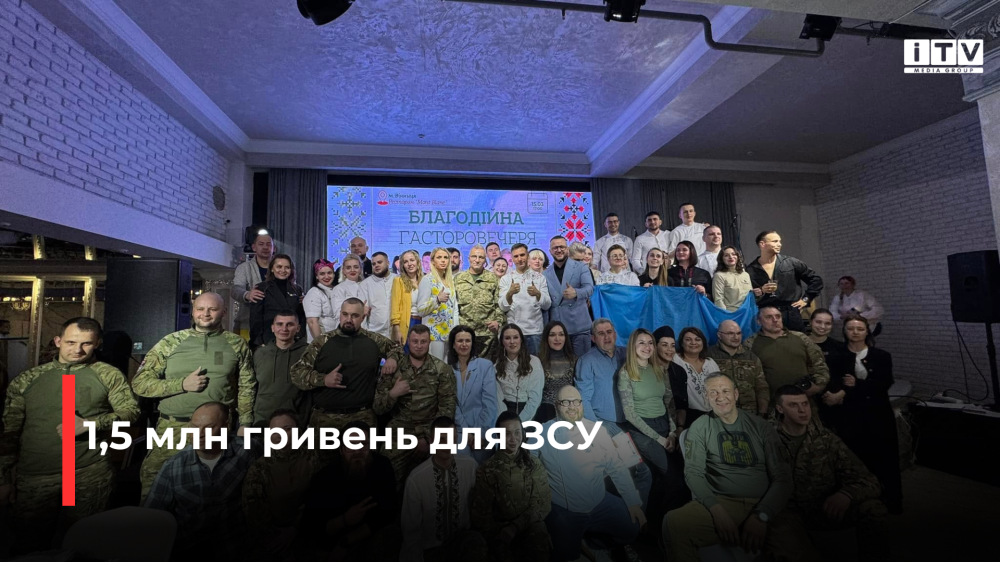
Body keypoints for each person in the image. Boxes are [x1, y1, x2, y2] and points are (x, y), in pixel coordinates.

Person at [0, 317, 139, 553]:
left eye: (86, 343)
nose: (77, 350)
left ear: (97, 344)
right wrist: (3, 478)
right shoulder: (28, 379)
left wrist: (91, 424)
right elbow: (9, 432)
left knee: (86, 543)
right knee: (29, 544)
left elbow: (131, 412)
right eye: (71, 342)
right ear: (58, 341)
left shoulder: (107, 374)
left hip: (88, 471)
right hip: (37, 474)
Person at [132, 292, 255, 499]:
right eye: (200, 309)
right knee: (155, 488)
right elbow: (139, 384)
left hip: (217, 431)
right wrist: (181, 384)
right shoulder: (170, 342)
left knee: (213, 490)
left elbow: (247, 386)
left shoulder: (237, 344)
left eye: (212, 309)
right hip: (174, 428)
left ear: (224, 312)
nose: (205, 314)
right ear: (193, 311)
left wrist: (245, 424)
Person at [664, 374, 797, 562]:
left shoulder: (761, 426)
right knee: (675, 523)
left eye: (725, 391)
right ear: (706, 398)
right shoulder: (700, 427)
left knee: (797, 549)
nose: (720, 397)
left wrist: (762, 515)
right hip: (723, 502)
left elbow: (783, 478)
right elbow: (693, 473)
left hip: (764, 501)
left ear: (736, 394)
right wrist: (717, 511)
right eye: (713, 392)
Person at [773, 385, 890, 562]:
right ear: (780, 409)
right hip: (783, 513)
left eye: (805, 404)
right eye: (793, 405)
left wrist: (846, 495)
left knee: (874, 508)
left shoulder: (826, 439)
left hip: (821, 508)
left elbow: (869, 480)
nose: (802, 410)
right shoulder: (767, 438)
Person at [534, 386, 645, 562]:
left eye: (576, 402)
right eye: (565, 402)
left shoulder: (597, 431)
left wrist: (632, 501)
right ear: (556, 405)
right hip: (565, 510)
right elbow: (529, 466)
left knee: (632, 528)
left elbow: (616, 466)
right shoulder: (542, 432)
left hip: (599, 503)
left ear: (582, 404)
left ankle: (593, 543)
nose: (572, 407)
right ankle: (579, 542)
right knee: (565, 556)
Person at [144, 402, 263, 560]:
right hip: (189, 548)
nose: (199, 434)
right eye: (194, 427)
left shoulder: (247, 451)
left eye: (208, 428)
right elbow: (150, 516)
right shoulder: (173, 467)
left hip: (236, 547)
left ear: (226, 426)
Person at [290, 298, 401, 433]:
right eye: (345, 314)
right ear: (340, 314)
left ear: (362, 318)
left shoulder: (374, 340)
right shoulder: (322, 342)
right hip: (324, 419)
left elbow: (397, 348)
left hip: (362, 417)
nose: (349, 319)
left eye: (355, 316)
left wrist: (392, 358)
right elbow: (296, 373)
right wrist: (323, 379)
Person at [828, 315, 902, 513]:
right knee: (854, 458)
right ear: (845, 331)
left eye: (860, 329)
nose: (855, 332)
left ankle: (890, 500)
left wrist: (858, 384)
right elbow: (833, 381)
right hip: (850, 416)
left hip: (878, 415)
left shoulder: (881, 356)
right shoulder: (836, 356)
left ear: (867, 331)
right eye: (851, 328)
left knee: (884, 457)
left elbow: (885, 383)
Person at [301, 420, 402, 562]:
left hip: (368, 537)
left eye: (363, 444)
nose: (357, 450)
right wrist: (344, 520)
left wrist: (347, 540)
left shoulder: (382, 466)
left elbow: (388, 511)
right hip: (331, 544)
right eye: (350, 444)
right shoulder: (324, 478)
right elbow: (311, 527)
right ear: (341, 450)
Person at [374, 324, 457, 489]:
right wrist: (393, 394)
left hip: (429, 432)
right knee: (385, 480)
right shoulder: (394, 368)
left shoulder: (442, 369)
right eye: (415, 341)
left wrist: (427, 439)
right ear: (408, 342)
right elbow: (378, 407)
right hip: (398, 434)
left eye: (423, 341)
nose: (419, 345)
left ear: (429, 342)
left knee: (431, 486)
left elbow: (447, 410)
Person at [401, 416, 487, 562]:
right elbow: (411, 531)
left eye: (451, 439)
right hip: (430, 550)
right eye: (441, 440)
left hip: (460, 542)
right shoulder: (416, 479)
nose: (447, 445)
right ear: (431, 441)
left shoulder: (470, 466)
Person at [471, 411, 552, 562]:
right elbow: (481, 516)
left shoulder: (533, 464)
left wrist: (516, 526)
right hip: (499, 529)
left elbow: (542, 503)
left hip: (528, 525)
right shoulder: (488, 469)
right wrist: (502, 531)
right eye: (507, 434)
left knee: (539, 540)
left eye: (517, 432)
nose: (513, 439)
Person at [241, 410, 321, 562]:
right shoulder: (259, 469)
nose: (281, 435)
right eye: (275, 431)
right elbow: (253, 512)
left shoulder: (311, 457)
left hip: (307, 529)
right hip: (273, 540)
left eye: (287, 429)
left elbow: (318, 496)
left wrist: (295, 528)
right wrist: (276, 540)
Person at [617, 328, 680, 482]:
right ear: (633, 346)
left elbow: (669, 403)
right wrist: (660, 439)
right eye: (642, 343)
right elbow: (629, 414)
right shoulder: (625, 373)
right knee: (672, 475)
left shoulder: (660, 370)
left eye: (650, 343)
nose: (647, 347)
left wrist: (672, 433)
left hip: (664, 425)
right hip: (643, 429)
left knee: (681, 469)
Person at [747, 305, 830, 406]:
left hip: (804, 401)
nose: (775, 320)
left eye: (778, 316)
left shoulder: (800, 338)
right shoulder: (751, 343)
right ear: (759, 321)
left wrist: (818, 387)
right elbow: (748, 377)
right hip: (771, 405)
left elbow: (819, 364)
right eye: (769, 317)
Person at [746, 230, 824, 332]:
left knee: (797, 340)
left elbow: (816, 280)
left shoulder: (791, 262)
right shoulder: (750, 269)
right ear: (762, 244)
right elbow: (746, 295)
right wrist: (761, 290)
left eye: (779, 241)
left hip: (790, 314)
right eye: (775, 241)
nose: (779, 244)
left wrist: (806, 299)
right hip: (765, 314)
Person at [448, 325, 498, 464]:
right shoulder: (447, 370)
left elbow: (490, 403)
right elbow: (452, 404)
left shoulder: (485, 366)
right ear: (453, 345)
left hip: (483, 430)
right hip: (459, 431)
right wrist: (466, 433)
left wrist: (479, 434)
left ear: (472, 343)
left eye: (467, 341)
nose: (464, 344)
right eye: (460, 341)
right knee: (462, 470)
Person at [251, 311, 307, 426]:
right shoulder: (259, 353)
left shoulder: (308, 353)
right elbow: (250, 386)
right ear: (273, 328)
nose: (284, 329)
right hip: (262, 419)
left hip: (295, 420)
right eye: (279, 324)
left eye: (289, 324)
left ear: (298, 328)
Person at [543, 235, 595, 356]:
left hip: (579, 326)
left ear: (567, 249)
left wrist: (576, 293)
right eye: (555, 248)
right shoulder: (545, 273)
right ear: (550, 251)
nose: (559, 250)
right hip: (557, 329)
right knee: (560, 364)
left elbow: (590, 288)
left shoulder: (581, 266)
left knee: (582, 363)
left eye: (562, 247)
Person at [707, 320, 769, 418]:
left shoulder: (751, 357)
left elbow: (761, 387)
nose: (736, 337)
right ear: (719, 335)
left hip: (749, 414)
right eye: (730, 333)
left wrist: (762, 412)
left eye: (739, 333)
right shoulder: (708, 356)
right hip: (719, 413)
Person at [497, 244, 551, 355]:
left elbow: (547, 305)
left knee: (536, 363)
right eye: (516, 256)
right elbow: (503, 307)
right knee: (514, 364)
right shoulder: (506, 279)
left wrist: (538, 294)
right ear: (512, 259)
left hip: (535, 331)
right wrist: (510, 293)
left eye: (522, 255)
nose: (520, 259)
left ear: (527, 256)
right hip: (514, 332)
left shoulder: (540, 277)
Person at [454, 245, 505, 357]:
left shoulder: (493, 278)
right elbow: (453, 307)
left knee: (487, 366)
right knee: (465, 366)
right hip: (465, 334)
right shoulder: (458, 279)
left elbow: (499, 304)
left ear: (485, 260)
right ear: (469, 258)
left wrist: (498, 322)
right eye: (474, 256)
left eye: (481, 257)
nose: (477, 260)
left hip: (487, 335)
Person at [250, 253, 306, 347]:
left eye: (287, 267)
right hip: (268, 339)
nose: (283, 270)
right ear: (272, 269)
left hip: (293, 339)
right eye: (279, 267)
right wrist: (258, 341)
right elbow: (255, 317)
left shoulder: (297, 289)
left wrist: (300, 336)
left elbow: (301, 317)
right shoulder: (262, 288)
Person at [493, 323, 544, 422]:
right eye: (507, 338)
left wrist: (519, 422)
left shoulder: (534, 362)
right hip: (504, 413)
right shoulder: (496, 367)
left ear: (521, 340)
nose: (512, 342)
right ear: (502, 342)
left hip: (528, 413)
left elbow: (535, 399)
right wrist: (506, 421)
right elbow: (498, 400)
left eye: (515, 337)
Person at [416, 247, 460, 361]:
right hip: (434, 333)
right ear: (433, 261)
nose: (443, 260)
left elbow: (454, 309)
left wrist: (455, 330)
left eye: (445, 257)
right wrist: (437, 300)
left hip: (449, 333)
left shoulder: (450, 281)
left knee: (447, 367)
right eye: (439, 257)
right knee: (436, 366)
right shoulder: (427, 280)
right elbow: (420, 310)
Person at [672, 327, 721, 428]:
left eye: (697, 339)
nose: (693, 342)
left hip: (713, 416)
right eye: (688, 339)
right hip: (686, 417)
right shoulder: (675, 360)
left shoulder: (711, 363)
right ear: (681, 343)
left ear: (703, 342)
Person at [536, 321, 576, 423]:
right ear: (546, 338)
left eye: (561, 335)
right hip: (544, 412)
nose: (557, 339)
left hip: (569, 410)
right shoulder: (537, 360)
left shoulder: (574, 360)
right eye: (552, 335)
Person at [233, 232, 275, 332]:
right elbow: (235, 289)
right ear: (254, 247)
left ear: (274, 248)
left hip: (277, 325)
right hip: (247, 323)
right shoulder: (244, 267)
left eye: (269, 244)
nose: (265, 247)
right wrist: (247, 295)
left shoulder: (281, 268)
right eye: (261, 244)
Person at [390, 249, 424, 347]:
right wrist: (397, 330)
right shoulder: (398, 281)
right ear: (402, 266)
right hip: (408, 323)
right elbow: (395, 307)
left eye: (412, 260)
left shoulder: (426, 280)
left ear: (418, 262)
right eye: (405, 262)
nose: (409, 264)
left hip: (425, 322)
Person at [360, 252, 396, 339]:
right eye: (373, 264)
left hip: (396, 332)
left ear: (388, 263)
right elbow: (364, 311)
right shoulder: (365, 284)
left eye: (379, 262)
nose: (376, 265)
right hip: (374, 334)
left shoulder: (398, 279)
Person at [303, 258, 338, 342]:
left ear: (334, 274)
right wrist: (320, 344)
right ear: (316, 276)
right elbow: (312, 322)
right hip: (323, 341)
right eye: (322, 274)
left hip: (337, 339)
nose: (327, 276)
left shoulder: (337, 290)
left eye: (329, 273)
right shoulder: (314, 293)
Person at [330, 254, 367, 331]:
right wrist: (361, 311)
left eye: (356, 267)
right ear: (343, 271)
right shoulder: (338, 289)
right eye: (348, 268)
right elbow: (337, 314)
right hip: (346, 329)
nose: (352, 270)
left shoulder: (367, 286)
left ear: (360, 269)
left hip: (366, 329)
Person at [713, 245, 753, 311]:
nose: (731, 257)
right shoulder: (719, 276)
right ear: (721, 259)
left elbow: (750, 296)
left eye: (734, 254)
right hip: (731, 313)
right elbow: (718, 300)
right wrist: (726, 315)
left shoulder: (745, 275)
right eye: (726, 255)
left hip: (748, 312)